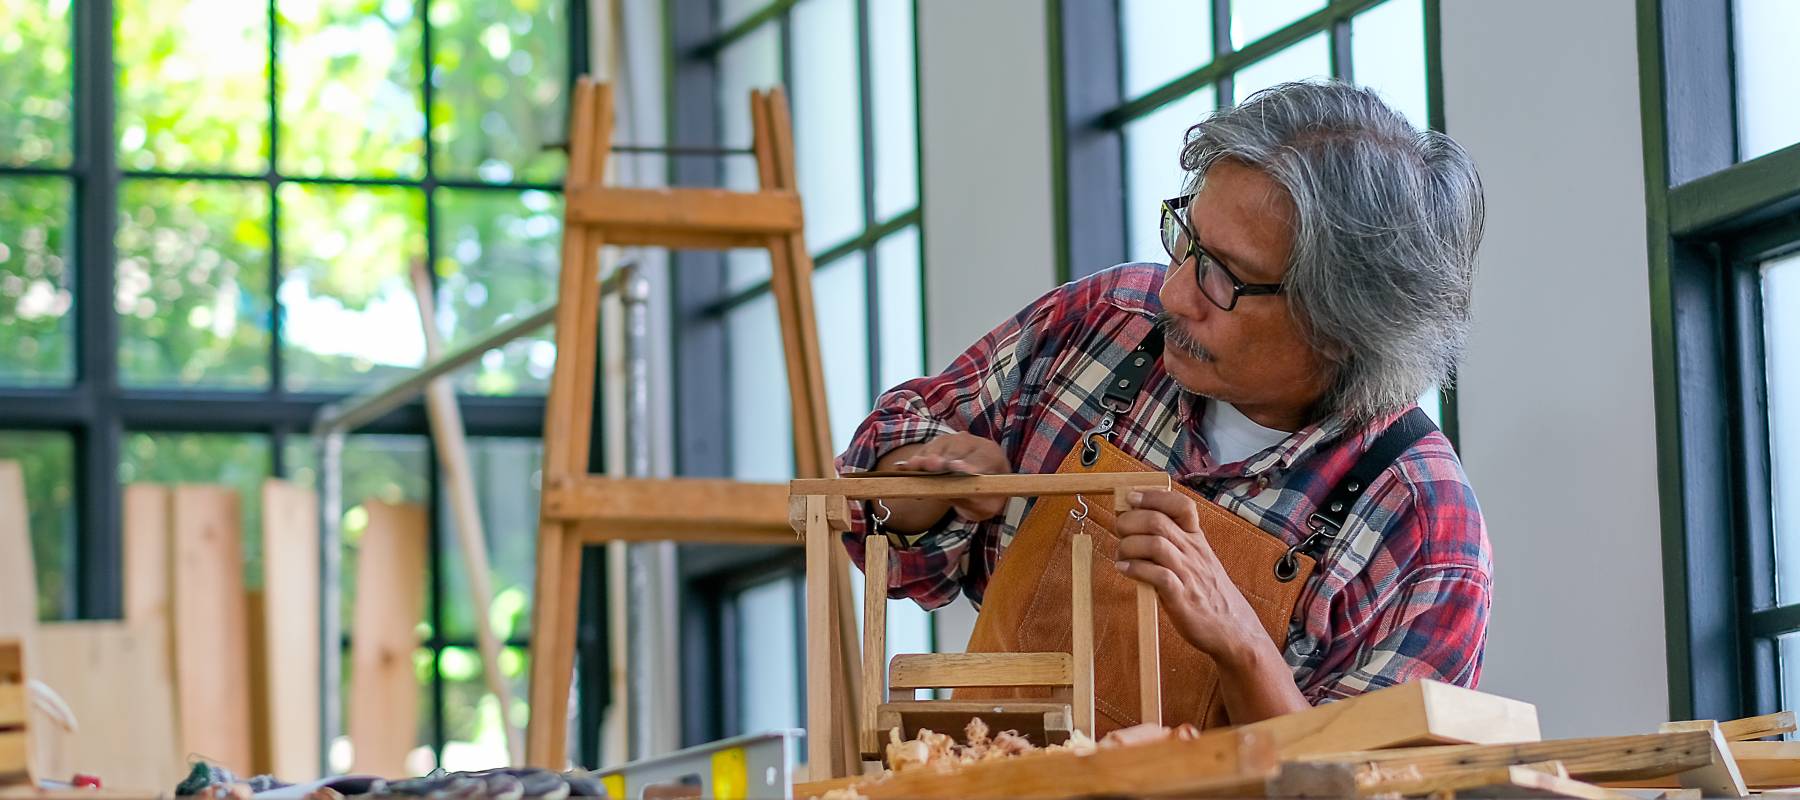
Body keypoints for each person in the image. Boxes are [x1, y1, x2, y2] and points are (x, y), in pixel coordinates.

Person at [834, 80, 1490, 729]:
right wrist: (927, 482)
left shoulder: (1422, 528)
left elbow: (1370, 780)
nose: (1176, 294)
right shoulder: (1107, 325)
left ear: (1340, 326)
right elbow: (861, 505)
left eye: (1224, 276)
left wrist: (1242, 644)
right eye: (1187, 241)